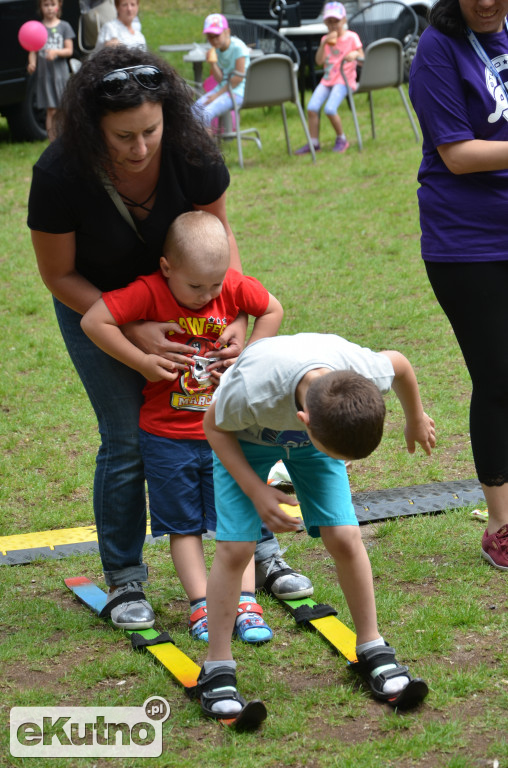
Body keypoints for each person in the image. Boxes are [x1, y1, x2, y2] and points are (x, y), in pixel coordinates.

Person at [27, 46, 309, 634]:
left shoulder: (192, 150)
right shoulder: (59, 173)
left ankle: (261, 554)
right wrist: (130, 328)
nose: (139, 148)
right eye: (122, 136)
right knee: (128, 439)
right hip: (98, 308)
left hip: (196, 305)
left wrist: (232, 315)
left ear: (167, 117)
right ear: (90, 128)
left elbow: (220, 237)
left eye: (149, 130)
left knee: (233, 421)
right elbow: (58, 275)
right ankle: (127, 578)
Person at [197, 333, 436, 718]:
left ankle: (372, 645)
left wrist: (415, 417)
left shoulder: (363, 372)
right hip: (242, 437)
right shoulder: (251, 391)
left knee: (345, 536)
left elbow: (402, 364)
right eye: (338, 457)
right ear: (304, 422)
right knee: (236, 548)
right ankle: (217, 668)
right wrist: (257, 491)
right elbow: (213, 426)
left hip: (312, 441)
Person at [81, 210, 283, 643]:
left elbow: (272, 308)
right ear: (167, 267)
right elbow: (92, 320)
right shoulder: (147, 292)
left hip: (227, 436)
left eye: (216, 284)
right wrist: (142, 362)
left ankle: (245, 602)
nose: (208, 294)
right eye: (195, 286)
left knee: (238, 519)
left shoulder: (227, 286)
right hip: (167, 438)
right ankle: (202, 606)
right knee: (183, 527)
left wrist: (247, 354)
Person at [409, 0, 508, 571]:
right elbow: (458, 153)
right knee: (498, 378)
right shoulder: (436, 49)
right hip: (468, 243)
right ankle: (500, 525)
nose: (488, 2)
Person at [295, 2, 363, 155]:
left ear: (344, 20)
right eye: (329, 22)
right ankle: (314, 143)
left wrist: (355, 55)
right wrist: (324, 43)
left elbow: (362, 58)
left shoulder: (352, 37)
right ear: (325, 23)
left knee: (330, 109)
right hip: (328, 79)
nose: (333, 26)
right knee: (312, 108)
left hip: (344, 80)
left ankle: (342, 139)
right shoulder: (325, 39)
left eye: (336, 21)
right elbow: (319, 61)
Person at [27, 0, 75, 142]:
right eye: (46, 5)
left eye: (52, 4)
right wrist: (31, 63)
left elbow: (69, 50)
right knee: (51, 111)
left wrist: (56, 52)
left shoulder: (64, 26)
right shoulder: (38, 28)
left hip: (60, 76)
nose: (49, 8)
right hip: (45, 76)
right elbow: (32, 50)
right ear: (41, 7)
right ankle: (52, 142)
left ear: (58, 6)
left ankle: (66, 139)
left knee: (64, 109)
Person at [193, 13, 249, 130]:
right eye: (209, 36)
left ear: (227, 32)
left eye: (216, 36)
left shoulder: (238, 47)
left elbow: (238, 79)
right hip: (223, 89)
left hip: (238, 91)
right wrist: (212, 63)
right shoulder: (217, 50)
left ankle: (208, 147)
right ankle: (198, 144)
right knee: (193, 111)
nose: (213, 40)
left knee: (205, 114)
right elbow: (220, 79)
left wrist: (216, 96)